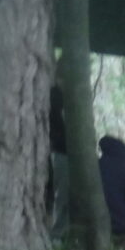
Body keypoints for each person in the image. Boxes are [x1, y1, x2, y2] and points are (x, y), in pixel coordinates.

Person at [48, 80, 70, 240]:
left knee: (60, 195)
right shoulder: (54, 97)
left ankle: (58, 232)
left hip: (59, 153)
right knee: (61, 195)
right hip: (60, 154)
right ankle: (56, 234)